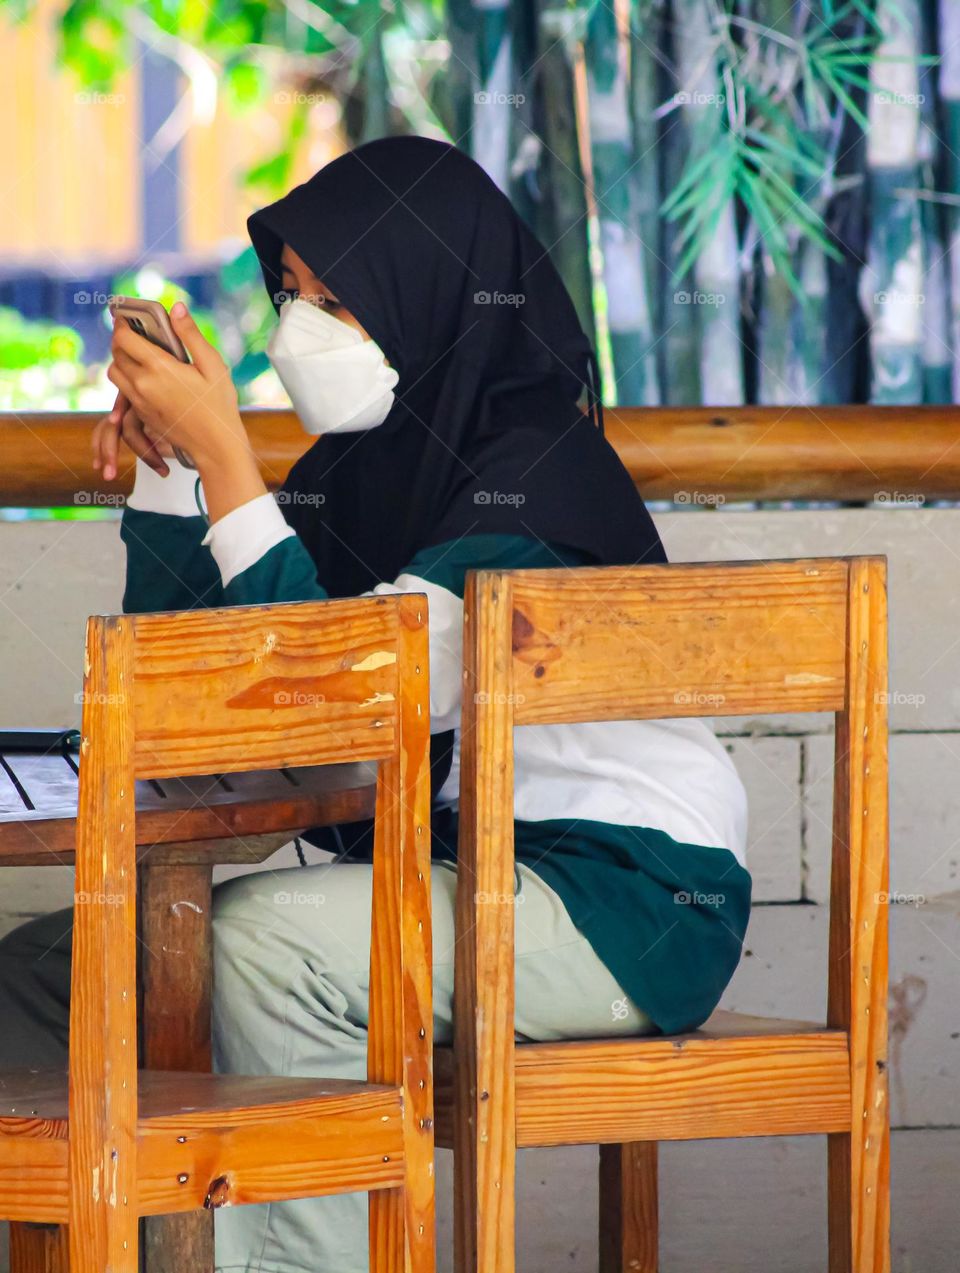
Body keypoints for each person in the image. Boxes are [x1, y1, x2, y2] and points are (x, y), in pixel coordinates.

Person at [0, 136, 751, 1273]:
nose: (301, 325)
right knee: (47, 971)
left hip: (620, 898)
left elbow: (341, 702)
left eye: (340, 298)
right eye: (293, 292)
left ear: (430, 290)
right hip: (455, 882)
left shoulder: (538, 479)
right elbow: (197, 697)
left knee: (254, 948)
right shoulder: (362, 471)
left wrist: (233, 469)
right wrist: (174, 471)